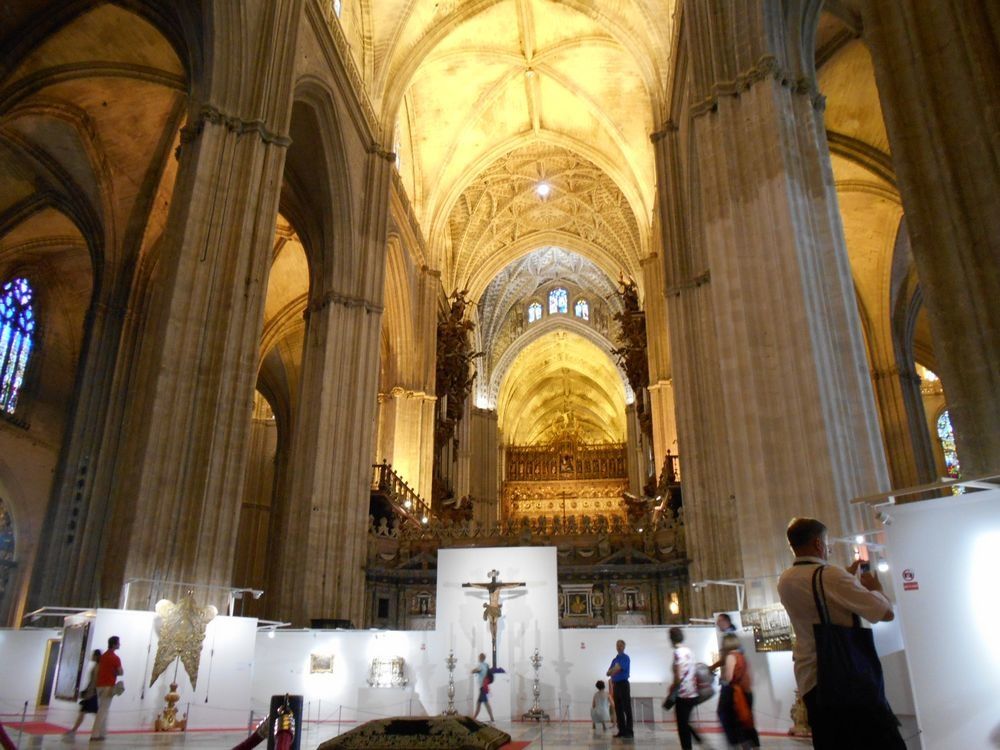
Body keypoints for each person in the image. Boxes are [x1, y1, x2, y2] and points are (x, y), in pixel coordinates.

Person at [777, 517, 906, 750]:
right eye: (827, 543)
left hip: (810, 679)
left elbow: (817, 601)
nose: (828, 549)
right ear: (818, 543)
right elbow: (885, 613)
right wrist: (874, 588)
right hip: (844, 677)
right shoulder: (831, 576)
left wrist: (845, 578)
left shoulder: (785, 579)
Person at [716, 633, 760, 749]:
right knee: (745, 720)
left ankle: (737, 743)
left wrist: (722, 679)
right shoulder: (741, 655)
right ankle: (752, 744)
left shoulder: (731, 656)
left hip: (736, 692)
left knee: (730, 718)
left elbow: (729, 677)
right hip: (746, 691)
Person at [669, 627, 703, 749]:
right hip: (692, 692)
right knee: (684, 721)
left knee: (682, 727)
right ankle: (696, 737)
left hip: (682, 693)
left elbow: (678, 675)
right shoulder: (689, 651)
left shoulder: (677, 653)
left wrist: (673, 688)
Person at [63, 649, 101, 742]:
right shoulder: (97, 666)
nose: (91, 656)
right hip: (92, 691)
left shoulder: (97, 667)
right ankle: (76, 730)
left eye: (93, 655)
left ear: (96, 656)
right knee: (86, 712)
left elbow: (94, 680)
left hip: (92, 692)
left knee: (91, 713)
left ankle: (96, 732)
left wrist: (90, 691)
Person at [91, 635, 123, 742]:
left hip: (99, 685)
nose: (120, 644)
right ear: (114, 644)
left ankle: (102, 733)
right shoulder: (115, 658)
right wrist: (114, 672)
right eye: (118, 643)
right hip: (108, 686)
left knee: (103, 710)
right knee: (102, 711)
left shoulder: (103, 657)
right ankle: (95, 734)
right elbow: (120, 672)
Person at [606, 639, 633, 738]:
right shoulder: (614, 659)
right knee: (618, 709)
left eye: (621, 645)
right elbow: (608, 673)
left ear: (624, 647)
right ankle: (621, 731)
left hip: (623, 684)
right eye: (617, 645)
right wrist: (615, 669)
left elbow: (619, 668)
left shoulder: (626, 658)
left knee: (627, 708)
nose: (619, 647)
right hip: (616, 685)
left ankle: (629, 731)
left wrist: (614, 669)